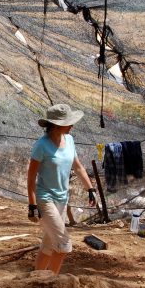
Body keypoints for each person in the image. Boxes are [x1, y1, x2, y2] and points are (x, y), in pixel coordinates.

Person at [27, 104, 96, 274]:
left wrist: (90, 189)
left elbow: (78, 167)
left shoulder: (70, 140)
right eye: (69, 122)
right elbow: (30, 178)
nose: (72, 125)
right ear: (56, 125)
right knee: (64, 244)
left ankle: (34, 281)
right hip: (45, 199)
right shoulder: (41, 146)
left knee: (49, 245)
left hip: (62, 200)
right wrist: (32, 205)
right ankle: (52, 283)